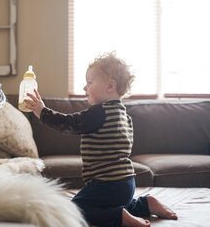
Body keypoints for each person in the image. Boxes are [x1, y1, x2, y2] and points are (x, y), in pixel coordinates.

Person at [24, 52, 178, 227]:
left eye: (89, 82)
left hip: (107, 184)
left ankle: (119, 217)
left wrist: (42, 112)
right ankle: (144, 204)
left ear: (110, 86)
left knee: (75, 210)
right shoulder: (124, 116)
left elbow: (69, 123)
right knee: (114, 203)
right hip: (127, 182)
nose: (85, 88)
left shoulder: (99, 112)